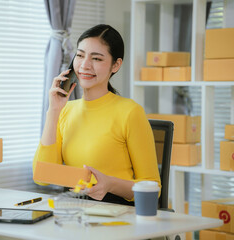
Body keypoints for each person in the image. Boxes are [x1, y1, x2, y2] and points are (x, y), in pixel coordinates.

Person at [33, 24, 160, 205]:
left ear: (115, 65)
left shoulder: (130, 112)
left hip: (117, 214)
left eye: (97, 59)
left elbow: (153, 188)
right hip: (76, 213)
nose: (84, 65)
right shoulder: (65, 111)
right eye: (80, 55)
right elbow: (41, 177)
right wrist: (53, 111)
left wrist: (110, 184)